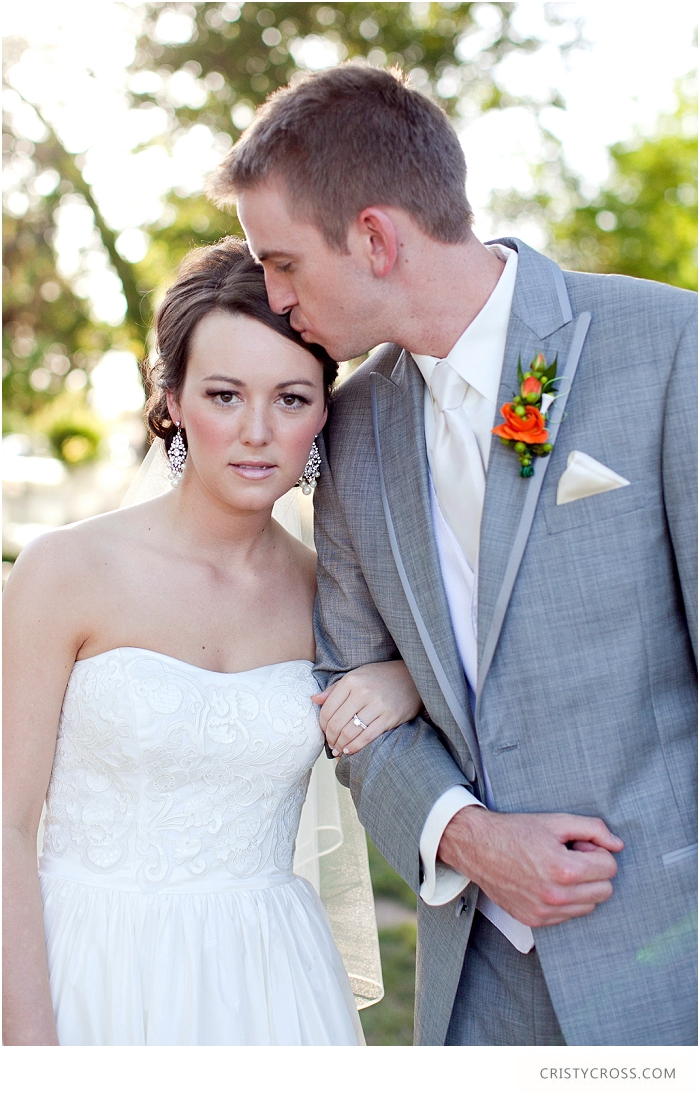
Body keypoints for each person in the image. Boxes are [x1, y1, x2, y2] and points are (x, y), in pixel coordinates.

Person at [207, 63, 698, 1046]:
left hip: (665, 968)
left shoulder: (667, 349)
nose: (272, 295)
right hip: (474, 991)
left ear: (376, 238)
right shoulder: (351, 430)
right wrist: (466, 839)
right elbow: (346, 682)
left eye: (284, 262)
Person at [2, 237, 423, 1046]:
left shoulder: (335, 595)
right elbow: (6, 827)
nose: (257, 432)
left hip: (267, 986)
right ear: (174, 402)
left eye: (292, 398)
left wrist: (401, 678)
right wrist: (29, 1055)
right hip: (86, 967)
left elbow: (458, 684)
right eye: (225, 395)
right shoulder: (66, 571)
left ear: (325, 412)